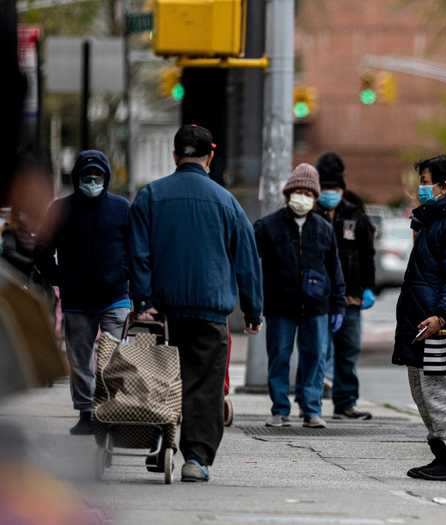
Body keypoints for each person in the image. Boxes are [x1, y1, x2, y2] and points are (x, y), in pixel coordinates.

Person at [129, 124, 263, 482]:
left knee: (158, 377)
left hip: (162, 312)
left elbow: (138, 255)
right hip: (209, 310)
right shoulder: (227, 202)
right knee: (204, 385)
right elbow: (248, 262)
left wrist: (143, 300)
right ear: (211, 154)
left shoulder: (150, 196)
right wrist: (253, 310)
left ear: (175, 155)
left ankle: (159, 438)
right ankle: (196, 458)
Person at [393, 154, 446, 482]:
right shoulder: (435, 219)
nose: (422, 188)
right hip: (422, 322)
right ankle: (443, 453)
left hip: (441, 325)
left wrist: (442, 316)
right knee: (423, 389)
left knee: (441, 389)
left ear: (444, 186)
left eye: (427, 181)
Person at [36, 150, 130, 436]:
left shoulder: (122, 208)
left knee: (114, 359)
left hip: (115, 297)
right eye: (87, 176)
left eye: (98, 175)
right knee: (80, 360)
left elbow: (137, 250)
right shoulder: (59, 210)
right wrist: (58, 278)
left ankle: (113, 409)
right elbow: (42, 249)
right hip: (77, 301)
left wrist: (131, 282)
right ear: (76, 178)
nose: (92, 180)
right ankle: (86, 412)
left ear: (106, 177)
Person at [255, 163, 346, 430]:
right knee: (279, 356)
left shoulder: (323, 228)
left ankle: (311, 409)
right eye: (298, 191)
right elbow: (249, 261)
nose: (302, 197)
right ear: (288, 193)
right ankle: (279, 409)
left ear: (315, 197)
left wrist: (338, 304)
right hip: (280, 305)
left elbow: (334, 269)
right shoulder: (268, 226)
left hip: (317, 305)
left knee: (315, 357)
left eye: (308, 192)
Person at [315, 152, 376, 420]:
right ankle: (312, 403)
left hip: (350, 296)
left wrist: (367, 287)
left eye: (334, 188)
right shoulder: (311, 214)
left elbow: (367, 254)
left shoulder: (355, 214)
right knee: (317, 350)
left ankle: (345, 402)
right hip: (318, 297)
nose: (330, 193)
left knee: (348, 352)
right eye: (325, 188)